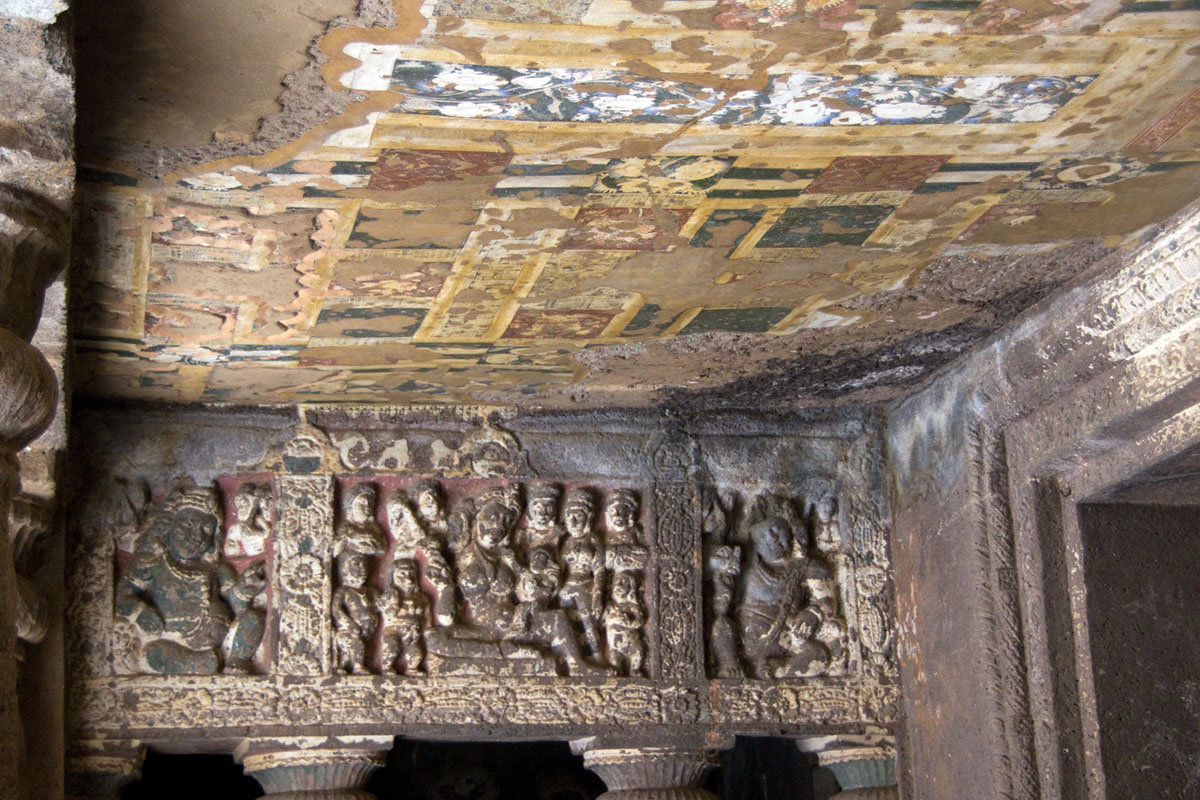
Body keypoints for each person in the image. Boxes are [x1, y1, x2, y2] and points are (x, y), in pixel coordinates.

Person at [558, 488, 605, 658]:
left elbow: (599, 569)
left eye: (578, 515)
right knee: (567, 625)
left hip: (586, 586)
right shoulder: (564, 541)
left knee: (589, 624)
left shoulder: (592, 539)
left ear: (588, 518)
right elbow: (557, 568)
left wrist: (598, 595)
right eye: (569, 515)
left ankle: (597, 658)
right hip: (565, 589)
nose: (573, 520)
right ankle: (571, 659)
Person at [377, 558, 431, 674]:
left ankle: (412, 670)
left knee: (417, 654)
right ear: (393, 576)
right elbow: (388, 615)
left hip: (413, 636)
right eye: (403, 573)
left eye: (411, 573)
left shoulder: (421, 598)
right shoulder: (390, 596)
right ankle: (386, 668)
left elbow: (427, 618)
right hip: (394, 633)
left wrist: (427, 630)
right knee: (391, 647)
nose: (408, 578)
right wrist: (395, 603)